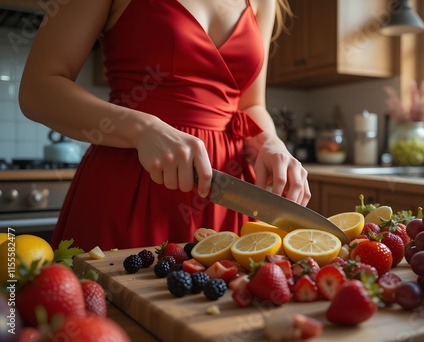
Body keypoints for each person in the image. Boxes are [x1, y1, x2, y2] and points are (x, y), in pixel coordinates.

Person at [19, 0, 311, 252]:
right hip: (132, 187)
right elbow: (38, 89)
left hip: (230, 193)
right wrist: (142, 128)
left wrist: (269, 140)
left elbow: (249, 105)